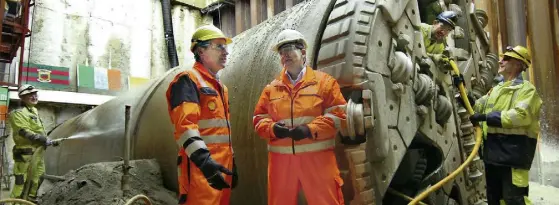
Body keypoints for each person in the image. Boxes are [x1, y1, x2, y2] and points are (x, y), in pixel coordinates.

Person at [252, 29, 347, 205]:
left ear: (303, 52)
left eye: (288, 48)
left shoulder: (325, 83)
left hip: (318, 161)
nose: (284, 55)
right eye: (281, 52)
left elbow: (339, 115)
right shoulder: (271, 89)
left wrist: (309, 129)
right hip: (281, 165)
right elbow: (258, 119)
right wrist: (273, 129)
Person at [165, 24, 237, 205]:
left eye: (225, 47)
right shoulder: (187, 80)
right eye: (219, 46)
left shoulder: (220, 87)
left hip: (220, 168)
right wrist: (205, 163)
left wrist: (232, 161)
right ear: (201, 51)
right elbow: (185, 128)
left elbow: (221, 132)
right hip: (200, 171)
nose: (225, 52)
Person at [467, 45, 542, 205]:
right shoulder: (497, 89)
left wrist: (487, 117)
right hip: (493, 154)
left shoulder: (527, 90)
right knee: (495, 200)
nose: (500, 61)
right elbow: (479, 106)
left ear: (517, 64)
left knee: (514, 200)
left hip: (514, 155)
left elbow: (521, 116)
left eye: (506, 58)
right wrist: (467, 98)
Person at [8, 84, 59, 202]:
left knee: (37, 178)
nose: (34, 96)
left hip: (38, 154)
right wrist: (43, 140)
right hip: (26, 155)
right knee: (21, 182)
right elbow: (24, 132)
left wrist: (49, 141)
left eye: (35, 94)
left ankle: (30, 201)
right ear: (22, 97)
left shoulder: (34, 111)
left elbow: (38, 132)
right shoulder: (18, 113)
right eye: (30, 95)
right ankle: (15, 203)